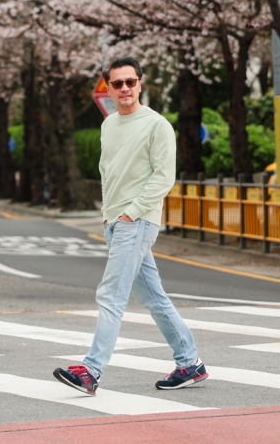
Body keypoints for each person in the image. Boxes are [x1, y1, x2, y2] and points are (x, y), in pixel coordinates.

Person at [54, 57, 204, 395]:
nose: (125, 89)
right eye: (118, 83)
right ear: (108, 87)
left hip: (137, 222)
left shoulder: (157, 125)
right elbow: (108, 172)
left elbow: (163, 178)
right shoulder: (109, 125)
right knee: (154, 299)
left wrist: (130, 214)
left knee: (111, 295)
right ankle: (190, 362)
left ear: (140, 84)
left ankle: (91, 371)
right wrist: (109, 215)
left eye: (131, 82)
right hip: (116, 222)